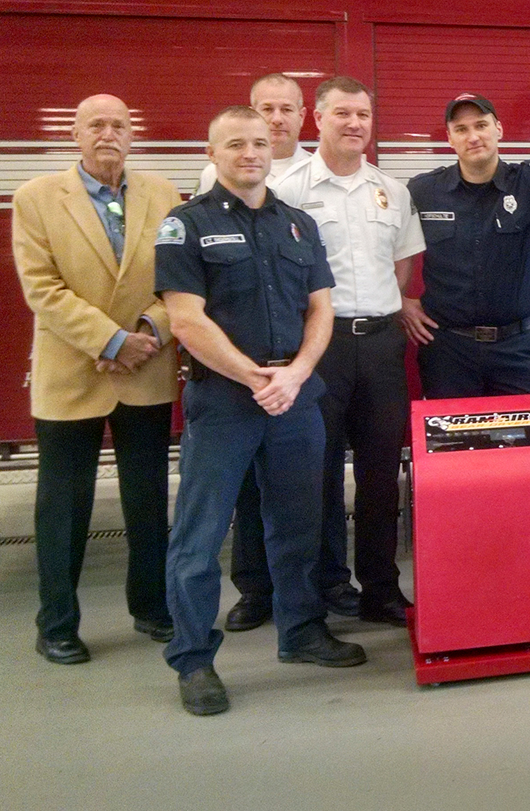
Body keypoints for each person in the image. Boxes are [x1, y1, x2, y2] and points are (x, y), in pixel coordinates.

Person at [156, 106, 365, 716]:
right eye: (235, 143)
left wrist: (296, 374)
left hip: (295, 396)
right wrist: (254, 377)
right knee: (199, 535)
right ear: (212, 151)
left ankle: (301, 632)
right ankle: (193, 660)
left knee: (299, 523)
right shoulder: (184, 225)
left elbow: (321, 308)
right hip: (225, 400)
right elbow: (185, 319)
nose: (250, 152)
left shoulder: (297, 224)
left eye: (258, 142)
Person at [11, 94, 181, 664]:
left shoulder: (163, 195)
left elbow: (180, 282)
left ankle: (152, 608)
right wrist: (110, 341)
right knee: (63, 505)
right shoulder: (36, 199)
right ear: (76, 136)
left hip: (147, 368)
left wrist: (148, 332)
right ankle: (56, 623)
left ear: (132, 135)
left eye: (118, 125)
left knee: (148, 498)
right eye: (96, 125)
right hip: (72, 373)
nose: (108, 134)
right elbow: (42, 288)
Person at [252, 76, 425, 628]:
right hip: (318, 349)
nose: (355, 124)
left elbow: (402, 265)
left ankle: (380, 588)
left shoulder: (391, 191)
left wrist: (387, 308)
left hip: (378, 346)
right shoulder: (289, 189)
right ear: (318, 120)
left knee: (380, 473)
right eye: (343, 114)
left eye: (364, 116)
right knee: (314, 473)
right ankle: (323, 588)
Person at [203, 73, 320, 630]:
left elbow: (321, 295)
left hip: (303, 364)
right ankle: (252, 594)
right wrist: (255, 376)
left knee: (301, 499)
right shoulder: (206, 197)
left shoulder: (318, 186)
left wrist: (295, 374)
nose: (272, 124)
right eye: (264, 111)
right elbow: (191, 309)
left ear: (303, 116)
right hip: (238, 376)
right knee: (239, 498)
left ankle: (308, 615)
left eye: (286, 110)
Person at [403, 90, 530, 398]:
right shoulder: (423, 190)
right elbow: (383, 244)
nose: (473, 136)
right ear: (449, 139)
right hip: (448, 353)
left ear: (498, 129)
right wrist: (397, 301)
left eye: (481, 125)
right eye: (461, 129)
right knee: (453, 446)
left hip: (516, 349)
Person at [195, 73, 311, 194]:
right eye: (267, 109)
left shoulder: (317, 173)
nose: (277, 119)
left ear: (301, 116)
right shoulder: (215, 173)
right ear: (252, 115)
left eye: (287, 109)